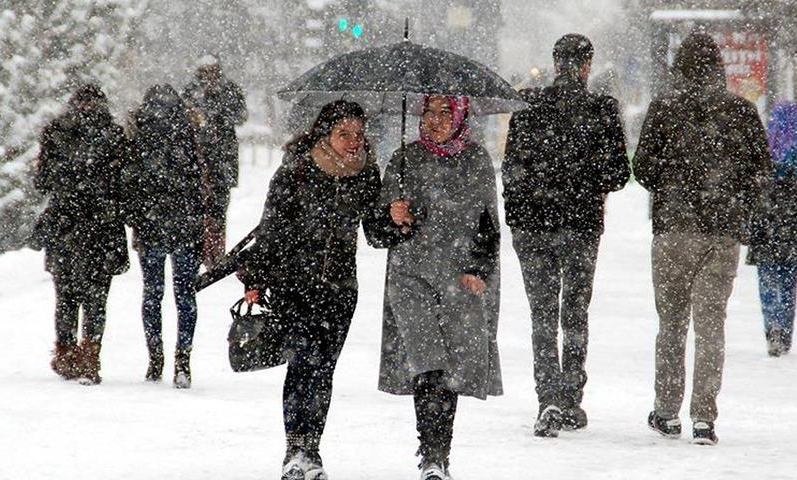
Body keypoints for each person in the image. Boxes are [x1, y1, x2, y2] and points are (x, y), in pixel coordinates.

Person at [238, 101, 403, 480]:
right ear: (324, 134)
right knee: (302, 365)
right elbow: (271, 228)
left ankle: (311, 451)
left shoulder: (365, 173)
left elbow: (375, 234)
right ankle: (295, 450)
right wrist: (256, 278)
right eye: (344, 134)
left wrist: (395, 218)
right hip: (294, 286)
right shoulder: (297, 169)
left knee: (323, 370)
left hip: (340, 290)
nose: (353, 141)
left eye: (358, 134)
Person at [633, 33, 773, 445]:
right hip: (722, 232)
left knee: (672, 323)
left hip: (673, 230)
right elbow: (761, 169)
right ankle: (704, 418)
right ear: (719, 67)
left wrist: (673, 184)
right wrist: (733, 197)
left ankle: (666, 411)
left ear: (679, 68)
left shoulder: (664, 109)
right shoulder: (741, 111)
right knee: (712, 326)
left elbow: (642, 168)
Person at [502, 34, 631, 436]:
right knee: (575, 311)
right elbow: (618, 174)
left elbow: (511, 169)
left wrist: (518, 216)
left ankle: (548, 398)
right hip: (581, 225)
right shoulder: (602, 110)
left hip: (533, 226)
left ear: (555, 63)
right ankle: (572, 397)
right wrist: (586, 178)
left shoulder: (527, 105)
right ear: (587, 66)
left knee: (541, 314)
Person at [379, 95, 502, 480]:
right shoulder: (403, 159)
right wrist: (392, 216)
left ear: (461, 115)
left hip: (458, 279)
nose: (436, 120)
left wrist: (479, 268)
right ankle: (431, 454)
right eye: (429, 112)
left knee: (450, 367)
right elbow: (378, 232)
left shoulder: (476, 160)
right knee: (427, 362)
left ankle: (439, 453)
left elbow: (489, 225)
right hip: (410, 278)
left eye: (445, 112)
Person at [32, 84, 129, 385]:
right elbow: (124, 184)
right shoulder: (114, 135)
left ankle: (66, 352)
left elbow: (42, 181)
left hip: (66, 226)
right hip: (102, 226)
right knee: (96, 297)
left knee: (66, 296)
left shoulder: (57, 132)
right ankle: (89, 356)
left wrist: (66, 183)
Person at [125, 85, 206, 387]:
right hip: (184, 224)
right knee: (185, 296)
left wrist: (136, 217)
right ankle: (183, 361)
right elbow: (200, 182)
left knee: (152, 294)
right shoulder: (189, 132)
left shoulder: (138, 134)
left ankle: (155, 358)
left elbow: (131, 182)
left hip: (151, 226)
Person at [746, 101, 797, 357]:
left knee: (767, 281)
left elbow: (752, 188)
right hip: (794, 229)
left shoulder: (766, 147)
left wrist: (754, 217)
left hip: (765, 227)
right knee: (789, 284)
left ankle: (772, 328)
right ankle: (785, 332)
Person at [181, 54, 247, 268]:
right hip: (197, 159)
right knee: (196, 210)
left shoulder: (229, 90)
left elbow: (241, 116)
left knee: (218, 211)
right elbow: (183, 118)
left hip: (222, 159)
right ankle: (198, 252)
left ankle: (215, 255)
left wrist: (218, 112)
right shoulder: (191, 91)